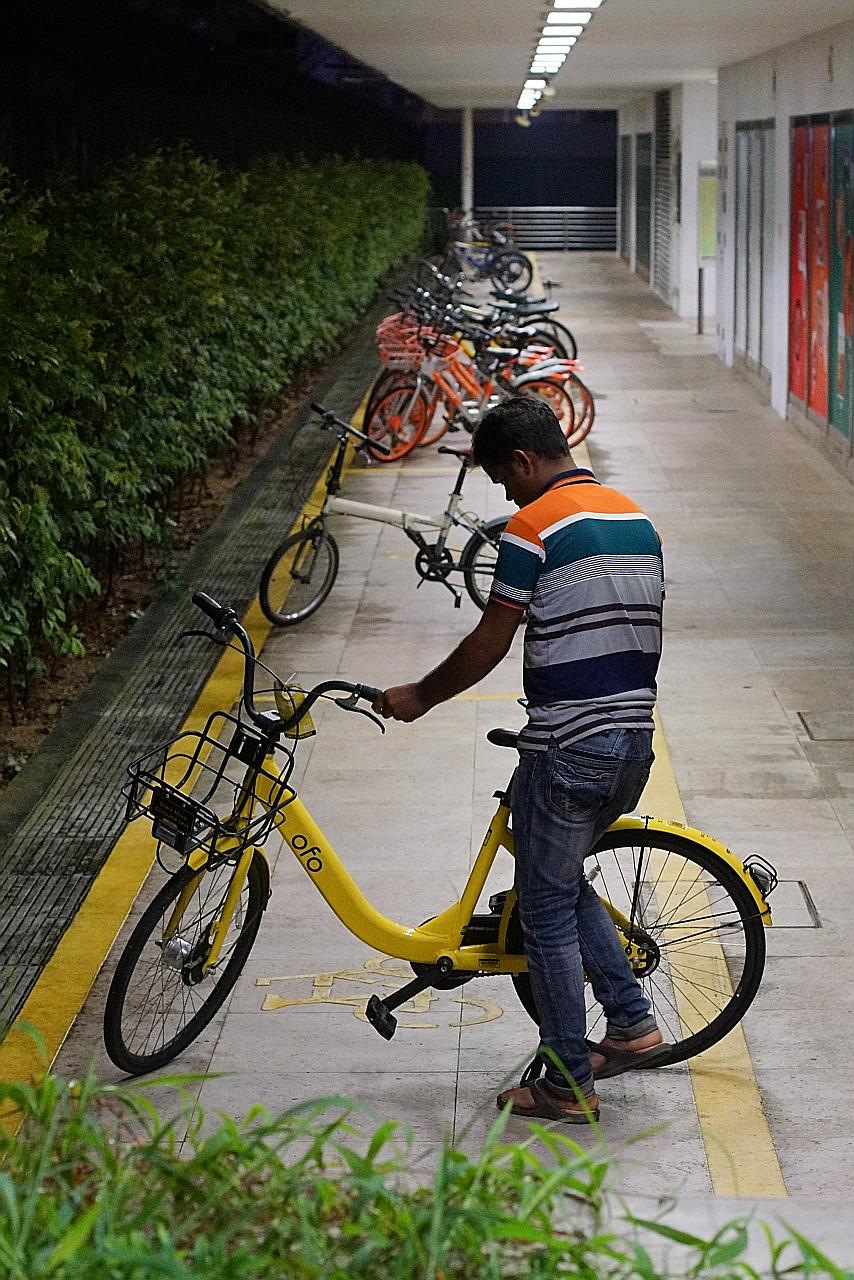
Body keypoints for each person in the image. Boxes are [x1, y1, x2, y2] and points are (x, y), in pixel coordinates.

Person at [373, 396, 670, 1124]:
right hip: (631, 743)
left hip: (569, 750)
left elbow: (489, 641)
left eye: (504, 479)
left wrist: (421, 695)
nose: (505, 495)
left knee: (543, 912)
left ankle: (568, 1083)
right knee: (561, 884)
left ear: (524, 461)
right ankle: (632, 1023)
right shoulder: (638, 519)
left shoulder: (532, 527)